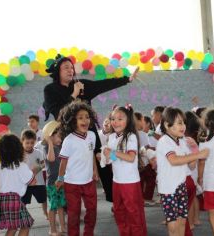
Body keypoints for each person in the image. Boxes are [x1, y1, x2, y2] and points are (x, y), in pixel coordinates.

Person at [43, 54, 138, 202]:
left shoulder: (82, 84)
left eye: (71, 67)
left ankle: (113, 198)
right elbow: (58, 115)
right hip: (68, 135)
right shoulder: (50, 89)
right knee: (70, 165)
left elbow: (103, 84)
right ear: (58, 72)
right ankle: (69, 204)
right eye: (66, 67)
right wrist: (74, 94)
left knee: (102, 159)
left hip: (90, 132)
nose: (70, 70)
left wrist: (127, 79)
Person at [156, 107, 209, 236]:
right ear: (167, 125)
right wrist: (198, 155)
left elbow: (190, 166)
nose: (183, 126)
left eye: (184, 122)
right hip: (169, 189)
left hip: (181, 186)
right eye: (179, 123)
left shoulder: (182, 141)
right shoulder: (164, 141)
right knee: (173, 225)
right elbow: (173, 160)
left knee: (181, 221)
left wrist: (195, 150)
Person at [55, 101, 99, 236]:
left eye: (87, 116)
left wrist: (95, 171)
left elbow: (91, 154)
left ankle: (88, 233)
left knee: (92, 211)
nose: (85, 120)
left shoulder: (92, 136)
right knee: (74, 214)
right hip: (72, 183)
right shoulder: (69, 140)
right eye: (80, 118)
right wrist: (60, 178)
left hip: (88, 182)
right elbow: (63, 161)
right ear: (72, 121)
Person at [103, 105, 147, 235]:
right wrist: (105, 156)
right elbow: (113, 158)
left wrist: (112, 153)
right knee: (119, 211)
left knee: (133, 213)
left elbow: (131, 157)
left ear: (128, 120)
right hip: (117, 181)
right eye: (113, 118)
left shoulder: (131, 136)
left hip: (130, 182)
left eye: (120, 118)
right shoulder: (111, 137)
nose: (115, 122)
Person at [0, 134, 35, 235]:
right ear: (19, 149)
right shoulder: (21, 166)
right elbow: (32, 182)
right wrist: (35, 171)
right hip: (14, 200)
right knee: (25, 225)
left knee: (13, 227)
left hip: (1, 200)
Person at [41, 121, 67, 235]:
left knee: (61, 205)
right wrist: (50, 143)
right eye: (58, 136)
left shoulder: (59, 147)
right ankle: (52, 229)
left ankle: (63, 227)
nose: (60, 139)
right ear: (51, 136)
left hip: (60, 182)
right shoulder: (47, 147)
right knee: (53, 207)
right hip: (52, 183)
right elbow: (51, 159)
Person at [20, 129, 48, 220]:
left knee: (43, 199)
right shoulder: (19, 154)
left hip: (38, 182)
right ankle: (23, 215)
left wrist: (38, 168)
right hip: (25, 183)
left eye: (32, 143)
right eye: (27, 143)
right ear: (22, 141)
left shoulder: (38, 152)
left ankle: (45, 213)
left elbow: (44, 163)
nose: (29, 145)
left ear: (35, 142)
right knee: (23, 201)